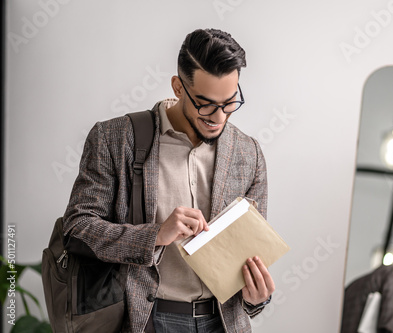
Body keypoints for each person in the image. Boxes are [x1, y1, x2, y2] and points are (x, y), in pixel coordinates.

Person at [63, 28, 274, 333]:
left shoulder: (249, 153)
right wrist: (156, 235)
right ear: (178, 87)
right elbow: (77, 228)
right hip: (147, 319)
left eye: (229, 103)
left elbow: (251, 255)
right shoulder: (115, 139)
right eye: (206, 104)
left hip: (224, 323)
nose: (219, 117)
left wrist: (256, 297)